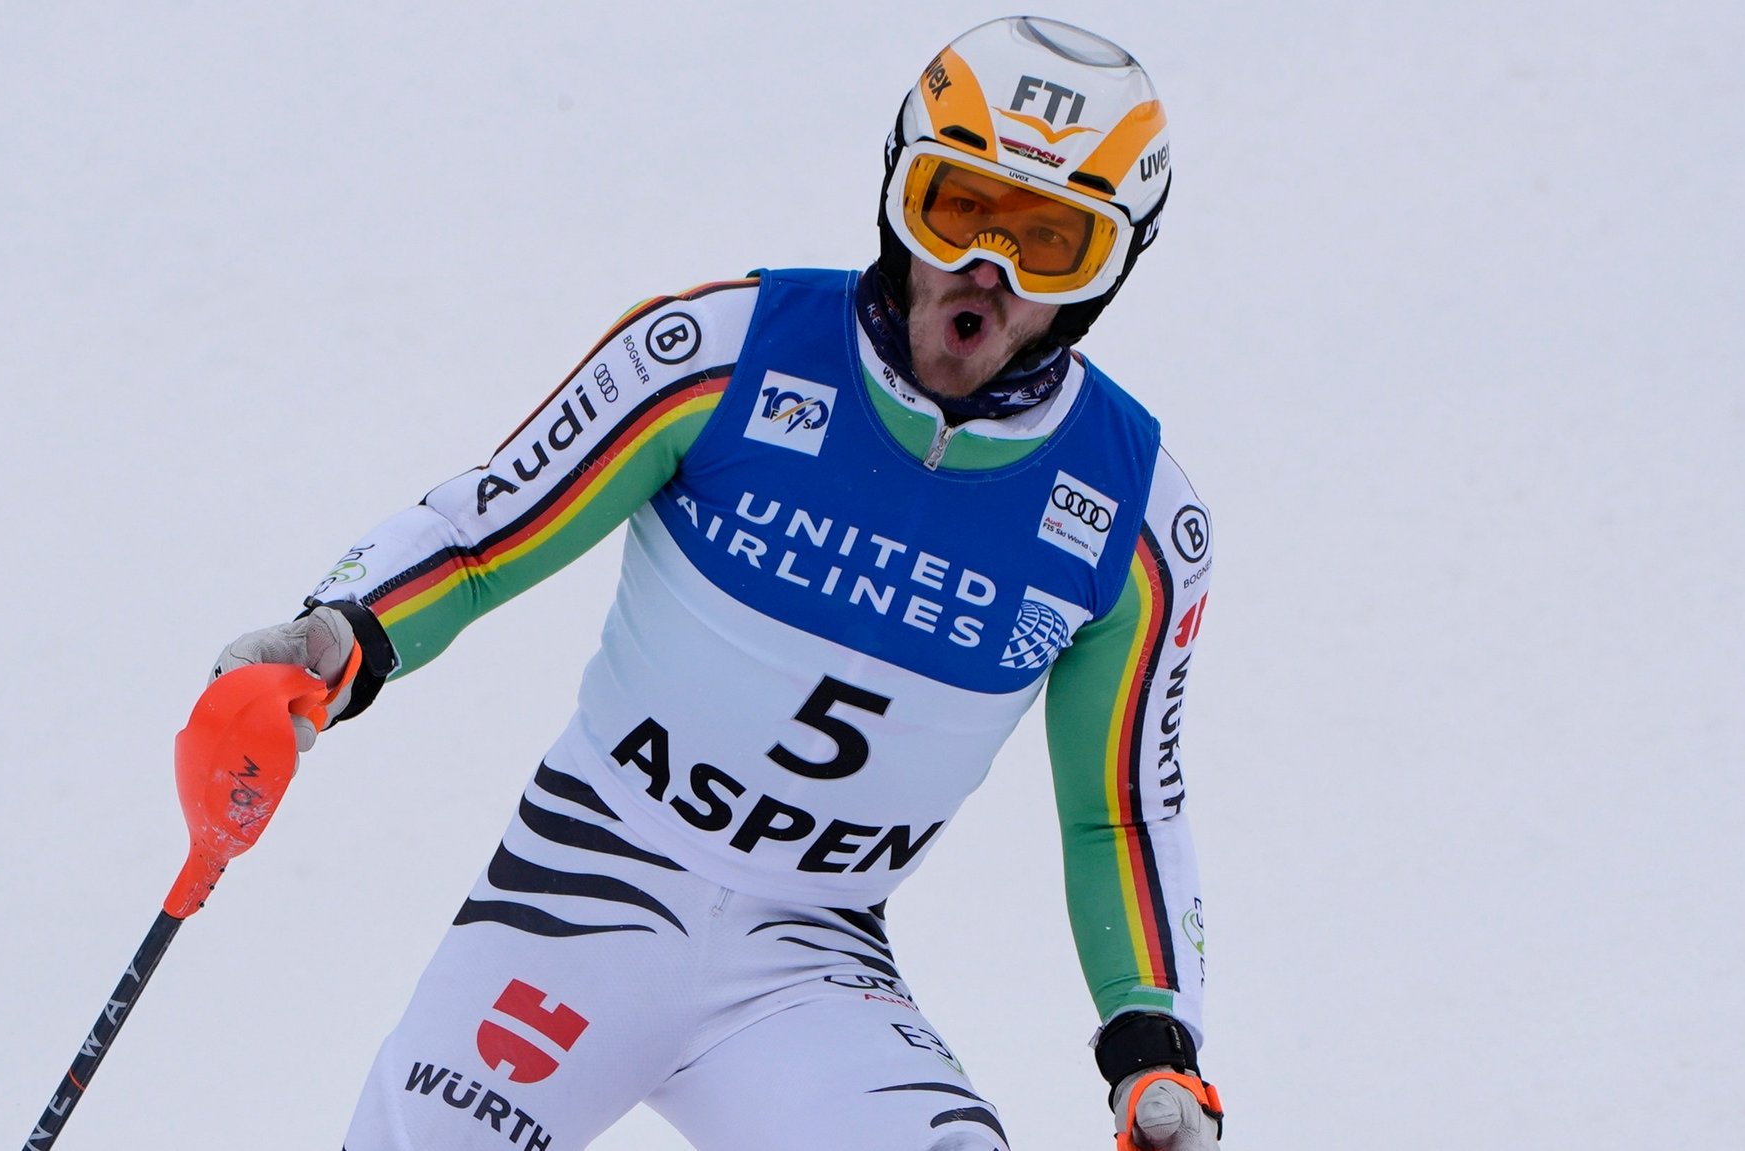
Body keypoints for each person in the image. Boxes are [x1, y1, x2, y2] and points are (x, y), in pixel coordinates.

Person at [215, 16, 1223, 1150]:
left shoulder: (1134, 521)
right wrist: (340, 633)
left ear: (1108, 270)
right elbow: (483, 530)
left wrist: (1152, 1043)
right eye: (955, 208)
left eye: (1049, 242)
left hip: (807, 956)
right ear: (896, 192)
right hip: (582, 885)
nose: (983, 271)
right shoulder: (721, 353)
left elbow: (1124, 805)